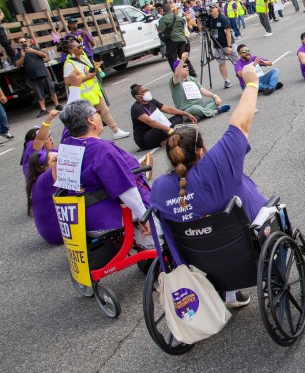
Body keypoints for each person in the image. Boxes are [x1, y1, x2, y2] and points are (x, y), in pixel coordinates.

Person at [149, 65, 274, 308]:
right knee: (274, 212)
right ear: (200, 151)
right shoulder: (217, 164)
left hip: (199, 260)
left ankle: (229, 292)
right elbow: (240, 123)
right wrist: (251, 83)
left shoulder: (160, 188)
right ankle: (273, 274)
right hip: (247, 247)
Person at [57, 100, 154, 249]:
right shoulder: (102, 150)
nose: (99, 115)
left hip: (80, 218)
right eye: (97, 113)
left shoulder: (68, 144)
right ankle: (157, 246)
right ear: (90, 120)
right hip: (107, 218)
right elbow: (126, 190)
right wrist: (144, 217)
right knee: (159, 210)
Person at [62, 38, 129, 139]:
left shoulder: (83, 57)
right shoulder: (69, 64)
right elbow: (67, 82)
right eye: (79, 47)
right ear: (71, 50)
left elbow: (88, 69)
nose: (82, 48)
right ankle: (94, 137)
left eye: (81, 46)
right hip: (83, 97)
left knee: (105, 111)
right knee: (89, 118)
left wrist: (95, 66)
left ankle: (116, 131)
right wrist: (88, 76)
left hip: (95, 92)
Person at [129, 83, 195, 150]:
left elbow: (168, 109)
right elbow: (150, 122)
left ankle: (168, 136)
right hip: (145, 138)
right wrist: (168, 129)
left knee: (178, 117)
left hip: (160, 127)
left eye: (147, 90)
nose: (147, 92)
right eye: (143, 92)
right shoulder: (136, 108)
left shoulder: (151, 101)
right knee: (160, 128)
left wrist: (186, 114)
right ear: (137, 96)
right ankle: (168, 136)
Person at [169, 53, 230, 119]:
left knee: (214, 101)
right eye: (184, 66)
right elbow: (177, 74)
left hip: (200, 106)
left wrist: (215, 96)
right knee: (194, 108)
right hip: (186, 111)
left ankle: (199, 115)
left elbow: (202, 90)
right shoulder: (175, 81)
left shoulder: (192, 79)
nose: (187, 67)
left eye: (187, 66)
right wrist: (182, 60)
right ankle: (216, 112)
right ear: (177, 69)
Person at [15, 38, 62, 116]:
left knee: (51, 90)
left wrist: (32, 51)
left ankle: (57, 105)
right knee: (39, 93)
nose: (23, 43)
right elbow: (18, 64)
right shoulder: (18, 54)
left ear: (28, 42)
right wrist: (22, 56)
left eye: (25, 41)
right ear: (19, 44)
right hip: (32, 76)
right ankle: (43, 109)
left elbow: (44, 55)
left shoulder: (35, 48)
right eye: (21, 42)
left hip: (43, 73)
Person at [26, 150, 62, 245]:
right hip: (57, 234)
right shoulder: (45, 179)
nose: (56, 161)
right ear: (44, 168)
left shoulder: (37, 180)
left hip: (50, 233)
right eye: (54, 160)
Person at [206, 5, 239, 89]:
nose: (211, 10)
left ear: (217, 9)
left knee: (237, 61)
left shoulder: (223, 18)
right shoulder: (209, 18)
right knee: (221, 63)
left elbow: (228, 33)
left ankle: (244, 74)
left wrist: (229, 46)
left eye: (212, 8)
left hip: (227, 44)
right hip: (217, 46)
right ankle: (226, 80)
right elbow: (203, 29)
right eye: (210, 9)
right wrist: (199, 21)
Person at [157, 2, 194, 74]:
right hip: (182, 39)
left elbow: (160, 29)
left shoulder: (163, 19)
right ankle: (192, 73)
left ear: (163, 10)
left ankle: (177, 75)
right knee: (183, 58)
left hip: (172, 41)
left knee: (172, 59)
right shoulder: (178, 16)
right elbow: (183, 27)